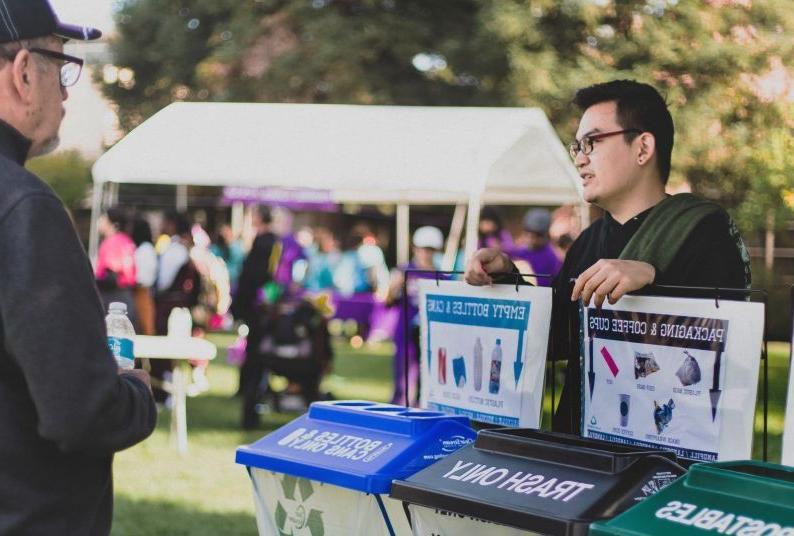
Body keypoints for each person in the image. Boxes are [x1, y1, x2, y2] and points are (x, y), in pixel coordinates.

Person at [466, 80, 750, 433]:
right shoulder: (588, 241)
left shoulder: (703, 231)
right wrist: (506, 277)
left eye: (592, 142)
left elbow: (731, 354)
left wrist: (653, 278)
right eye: (577, 147)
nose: (580, 159)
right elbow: (557, 341)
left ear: (643, 147)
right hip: (577, 453)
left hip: (661, 458)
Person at [0, 2, 156, 534]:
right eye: (61, 66)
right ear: (23, 72)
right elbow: (80, 413)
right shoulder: (22, 206)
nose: (66, 94)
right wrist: (135, 389)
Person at [231, 206, 280, 428]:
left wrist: (241, 306)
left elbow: (253, 278)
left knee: (256, 358)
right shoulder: (275, 243)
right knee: (258, 358)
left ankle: (251, 405)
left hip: (258, 309)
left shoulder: (263, 243)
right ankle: (254, 399)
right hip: (264, 309)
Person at [386, 226, 444, 406]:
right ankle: (400, 405)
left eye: (430, 250)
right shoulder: (404, 271)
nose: (425, 253)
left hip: (429, 332)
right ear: (415, 249)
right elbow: (387, 300)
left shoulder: (441, 276)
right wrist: (394, 286)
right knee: (403, 371)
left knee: (427, 372)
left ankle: (422, 405)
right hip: (405, 328)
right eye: (422, 249)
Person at [95, 207, 138, 322]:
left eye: (103, 217)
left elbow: (112, 275)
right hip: (125, 297)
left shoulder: (113, 242)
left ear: (113, 223)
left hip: (114, 299)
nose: (99, 220)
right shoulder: (126, 239)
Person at [509, 208, 562, 286]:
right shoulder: (518, 254)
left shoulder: (552, 257)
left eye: (538, 235)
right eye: (529, 234)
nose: (532, 239)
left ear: (546, 235)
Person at [132, 217, 157, 336]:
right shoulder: (146, 248)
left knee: (144, 329)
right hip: (141, 292)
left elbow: (143, 277)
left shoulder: (145, 249)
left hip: (142, 292)